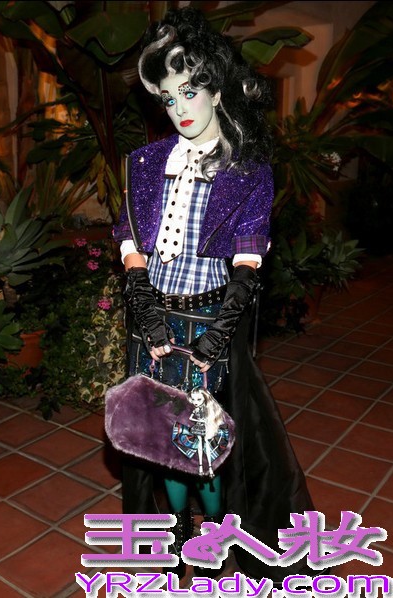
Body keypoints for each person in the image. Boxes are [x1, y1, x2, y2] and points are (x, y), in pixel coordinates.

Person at [113, 7, 318, 584]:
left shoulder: (247, 169)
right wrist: (143, 302)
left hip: (208, 319)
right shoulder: (147, 162)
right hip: (154, 322)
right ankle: (177, 532)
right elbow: (129, 235)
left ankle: (215, 532)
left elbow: (249, 257)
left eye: (190, 92)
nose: (179, 108)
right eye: (168, 97)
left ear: (216, 89)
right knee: (161, 441)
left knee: (205, 444)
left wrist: (222, 329)